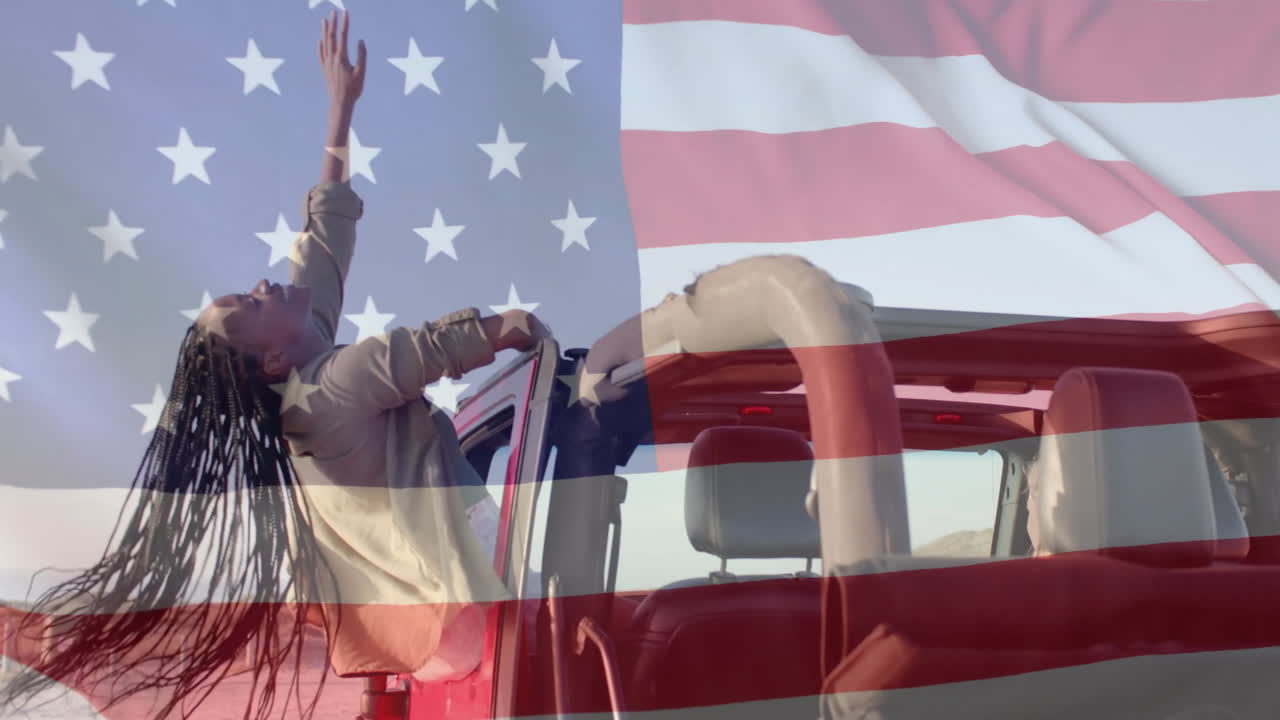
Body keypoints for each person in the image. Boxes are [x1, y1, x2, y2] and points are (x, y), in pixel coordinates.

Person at [1, 11, 545, 720]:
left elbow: (323, 241)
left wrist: (339, 109)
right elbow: (422, 351)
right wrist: (512, 329)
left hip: (449, 613)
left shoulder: (303, 378)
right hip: (467, 593)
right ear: (271, 356)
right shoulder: (331, 393)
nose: (262, 285)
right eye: (249, 306)